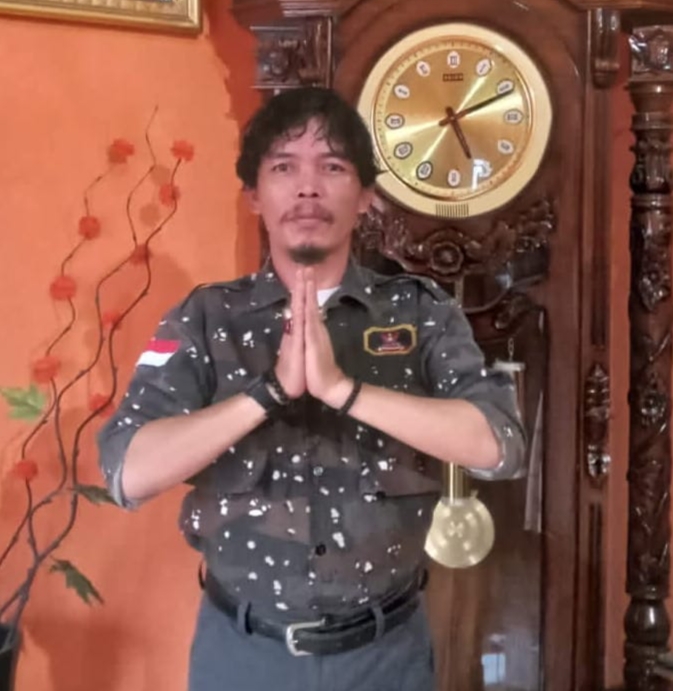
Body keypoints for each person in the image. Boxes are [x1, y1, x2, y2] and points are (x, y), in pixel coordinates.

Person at [97, 86, 525, 691]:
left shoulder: (419, 312)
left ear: (366, 196)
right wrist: (268, 392)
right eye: (283, 168)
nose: (307, 188)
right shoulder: (206, 318)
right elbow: (127, 472)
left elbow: (499, 446)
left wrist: (343, 390)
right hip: (242, 656)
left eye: (332, 167)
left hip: (385, 656)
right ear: (254, 194)